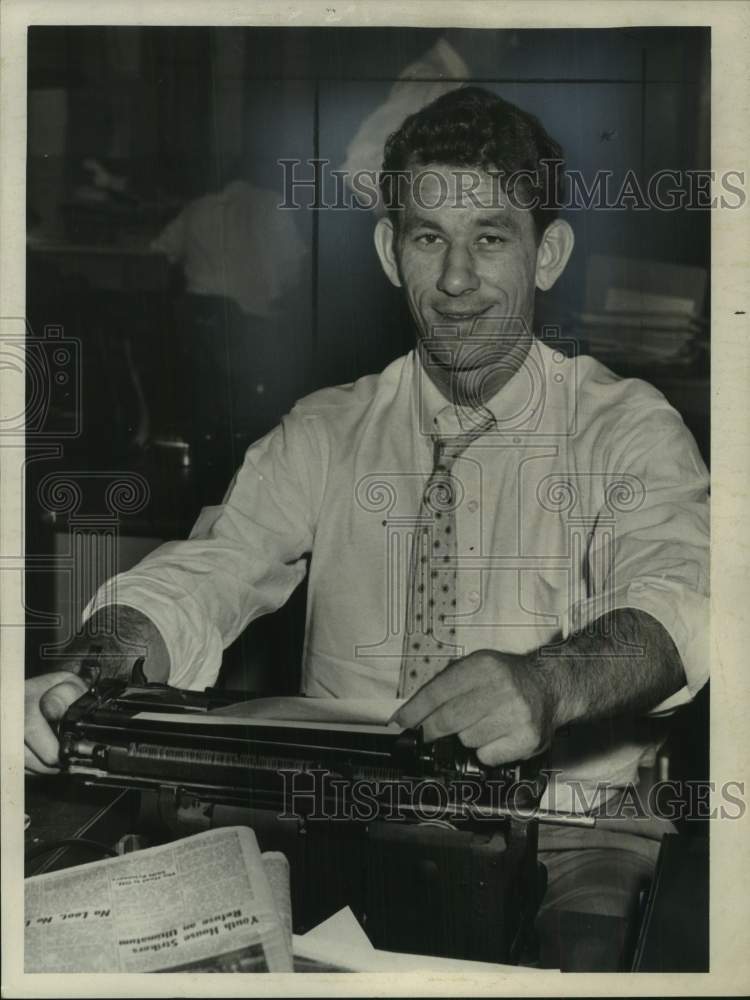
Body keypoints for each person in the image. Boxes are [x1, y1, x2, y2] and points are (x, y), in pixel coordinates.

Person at [25, 87, 709, 968]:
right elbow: (208, 572)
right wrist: (86, 667)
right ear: (391, 252)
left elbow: (681, 602)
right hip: (330, 817)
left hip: (569, 831)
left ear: (550, 254)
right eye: (429, 238)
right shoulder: (325, 429)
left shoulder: (628, 428)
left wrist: (549, 682)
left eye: (492, 238)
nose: (456, 281)